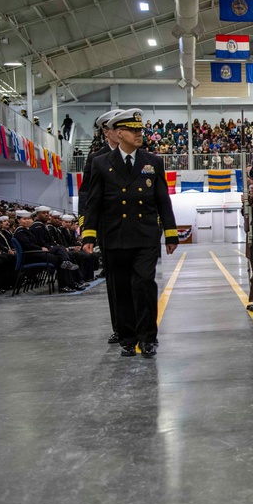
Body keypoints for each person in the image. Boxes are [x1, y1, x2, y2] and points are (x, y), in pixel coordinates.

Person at [82, 109, 179, 357]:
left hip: (145, 234)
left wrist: (170, 232)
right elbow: (93, 202)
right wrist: (89, 235)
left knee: (144, 284)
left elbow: (162, 200)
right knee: (122, 288)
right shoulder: (100, 163)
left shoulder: (152, 161)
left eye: (140, 130)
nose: (139, 134)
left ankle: (148, 337)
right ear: (119, 133)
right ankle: (127, 338)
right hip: (115, 236)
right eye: (133, 131)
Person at [80, 110, 122, 342]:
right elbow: (87, 194)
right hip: (110, 229)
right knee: (114, 283)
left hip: (136, 229)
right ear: (106, 132)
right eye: (114, 127)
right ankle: (120, 327)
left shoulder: (140, 155)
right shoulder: (97, 159)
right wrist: (88, 231)